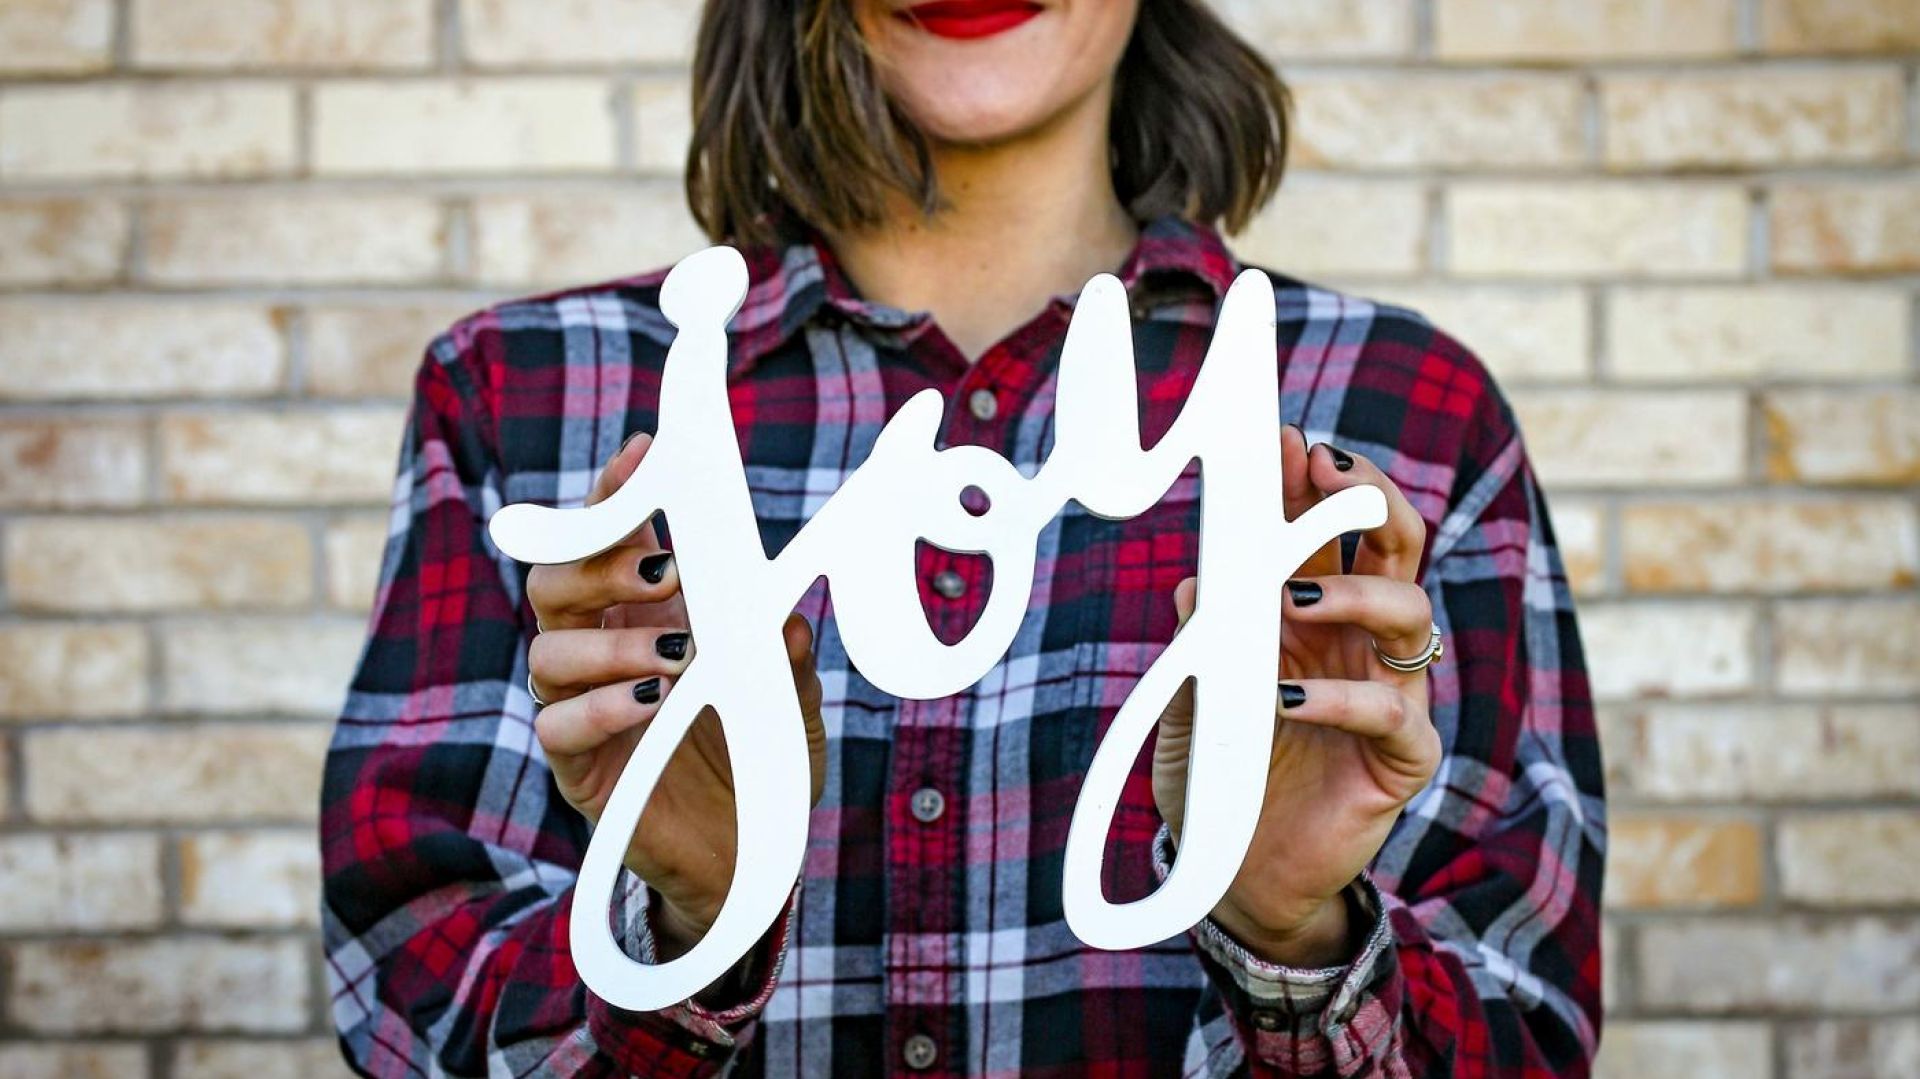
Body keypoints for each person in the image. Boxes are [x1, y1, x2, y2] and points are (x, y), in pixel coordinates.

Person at [320, 0, 1604, 1075]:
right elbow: (410, 999)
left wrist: (1298, 937)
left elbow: (1524, 1026)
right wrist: (690, 923)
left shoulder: (1402, 414)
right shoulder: (529, 397)